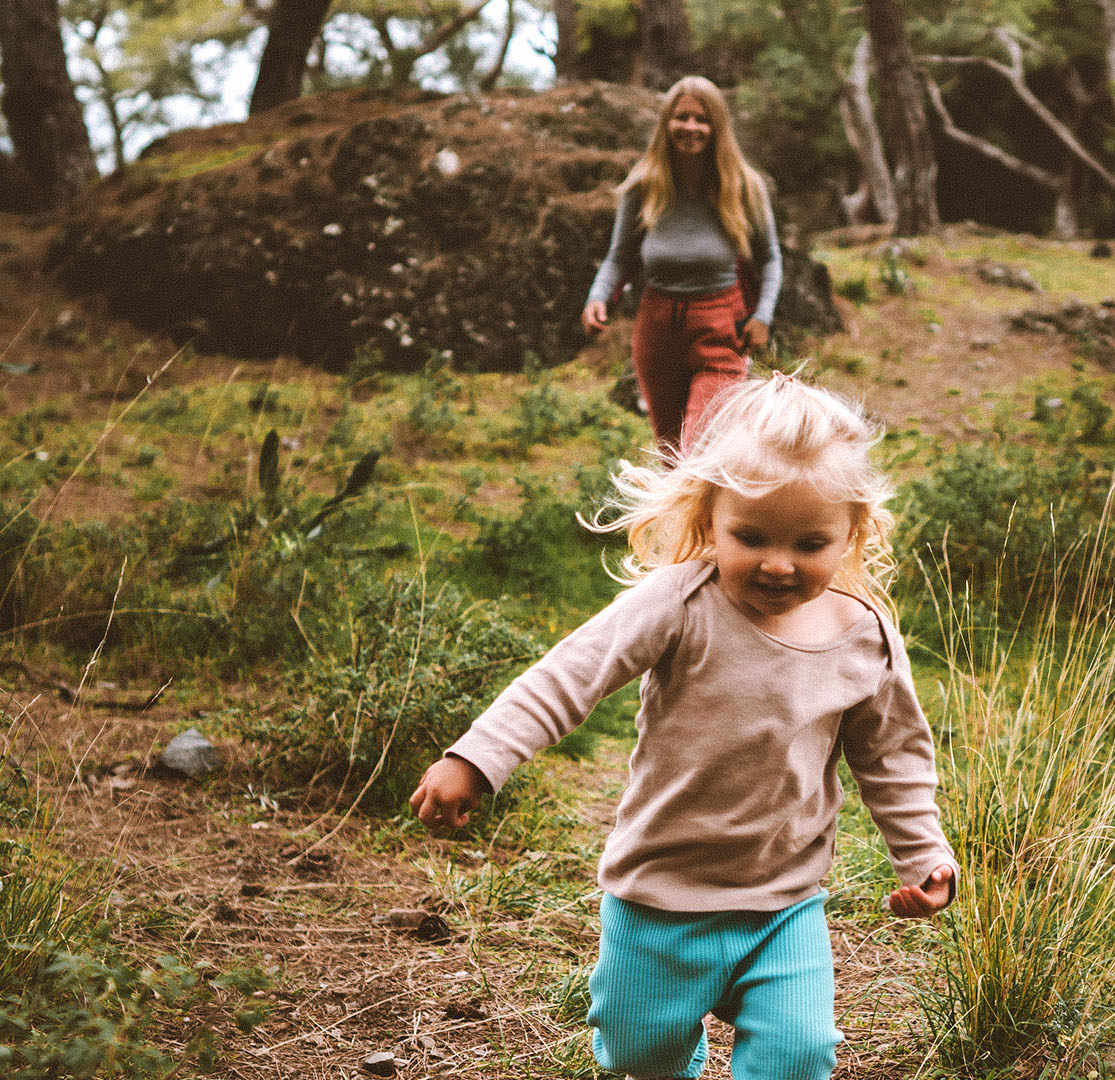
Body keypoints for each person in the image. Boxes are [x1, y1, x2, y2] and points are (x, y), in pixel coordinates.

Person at [409, 374, 956, 1080]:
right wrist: (478, 758)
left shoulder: (863, 637)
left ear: (853, 531)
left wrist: (924, 857)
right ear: (709, 516)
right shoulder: (680, 603)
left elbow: (894, 758)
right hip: (656, 895)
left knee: (799, 1054)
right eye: (750, 536)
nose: (778, 563)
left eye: (811, 542)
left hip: (782, 903)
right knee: (640, 1054)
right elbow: (570, 674)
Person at [582, 76, 784, 454]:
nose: (690, 127)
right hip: (657, 330)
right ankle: (692, 517)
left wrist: (764, 316)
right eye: (681, 117)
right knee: (672, 455)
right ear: (666, 124)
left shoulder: (743, 186)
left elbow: (770, 258)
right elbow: (619, 256)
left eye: (701, 119)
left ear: (717, 127)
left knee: (700, 448)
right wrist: (597, 297)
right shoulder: (643, 185)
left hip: (720, 329)